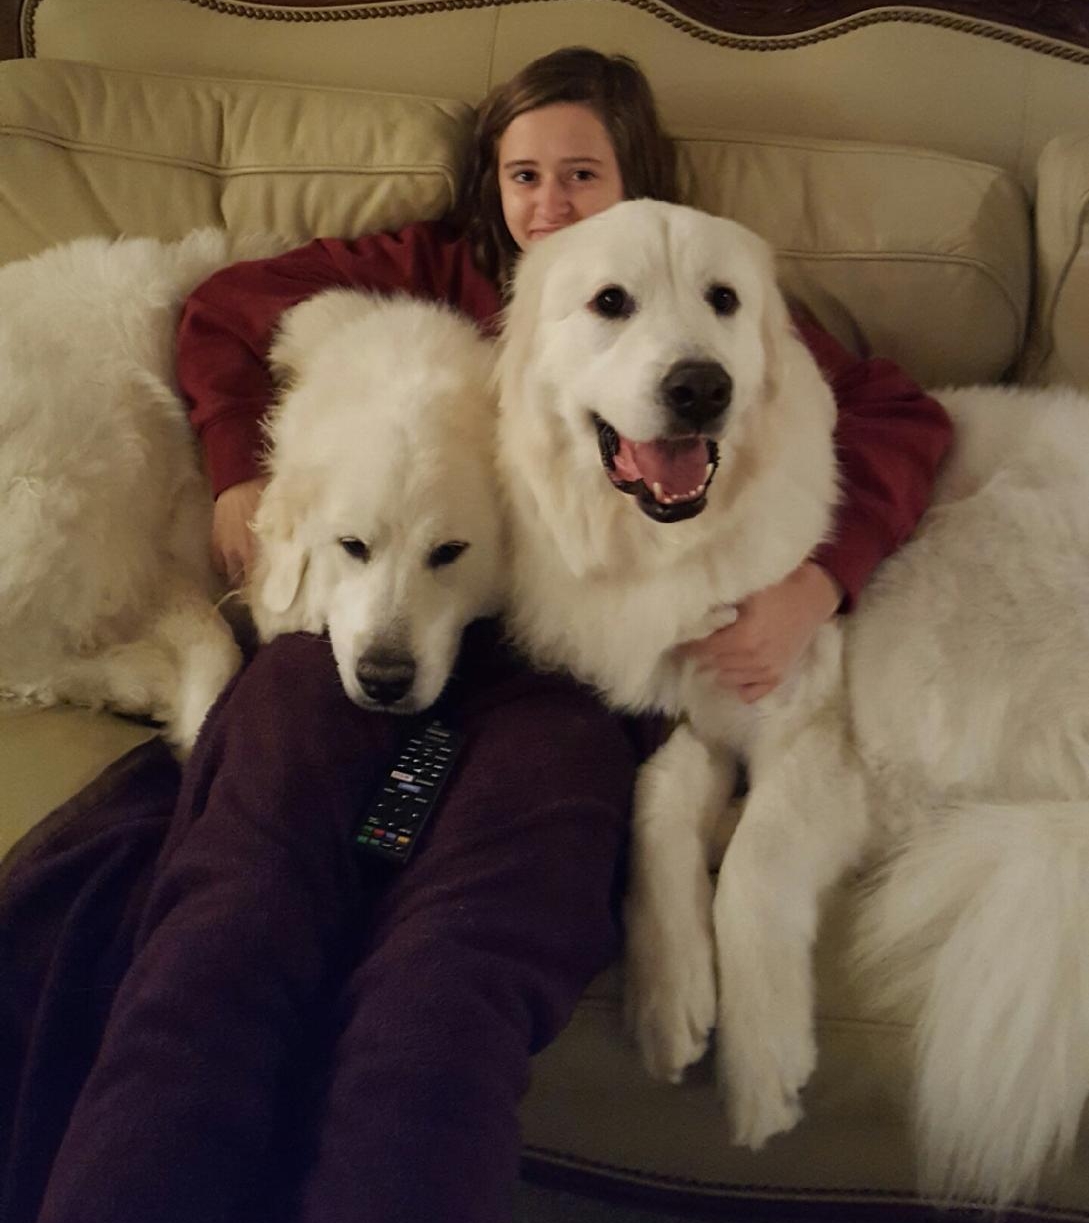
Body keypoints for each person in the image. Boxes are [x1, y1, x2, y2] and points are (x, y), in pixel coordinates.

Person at [22, 47, 951, 1223]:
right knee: (235, 899)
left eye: (581, 174)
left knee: (460, 966)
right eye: (524, 175)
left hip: (560, 674)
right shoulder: (430, 266)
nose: (550, 204)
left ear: (638, 183)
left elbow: (891, 413)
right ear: (489, 183)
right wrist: (230, 473)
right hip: (356, 611)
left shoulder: (698, 302)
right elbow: (224, 312)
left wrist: (821, 579)